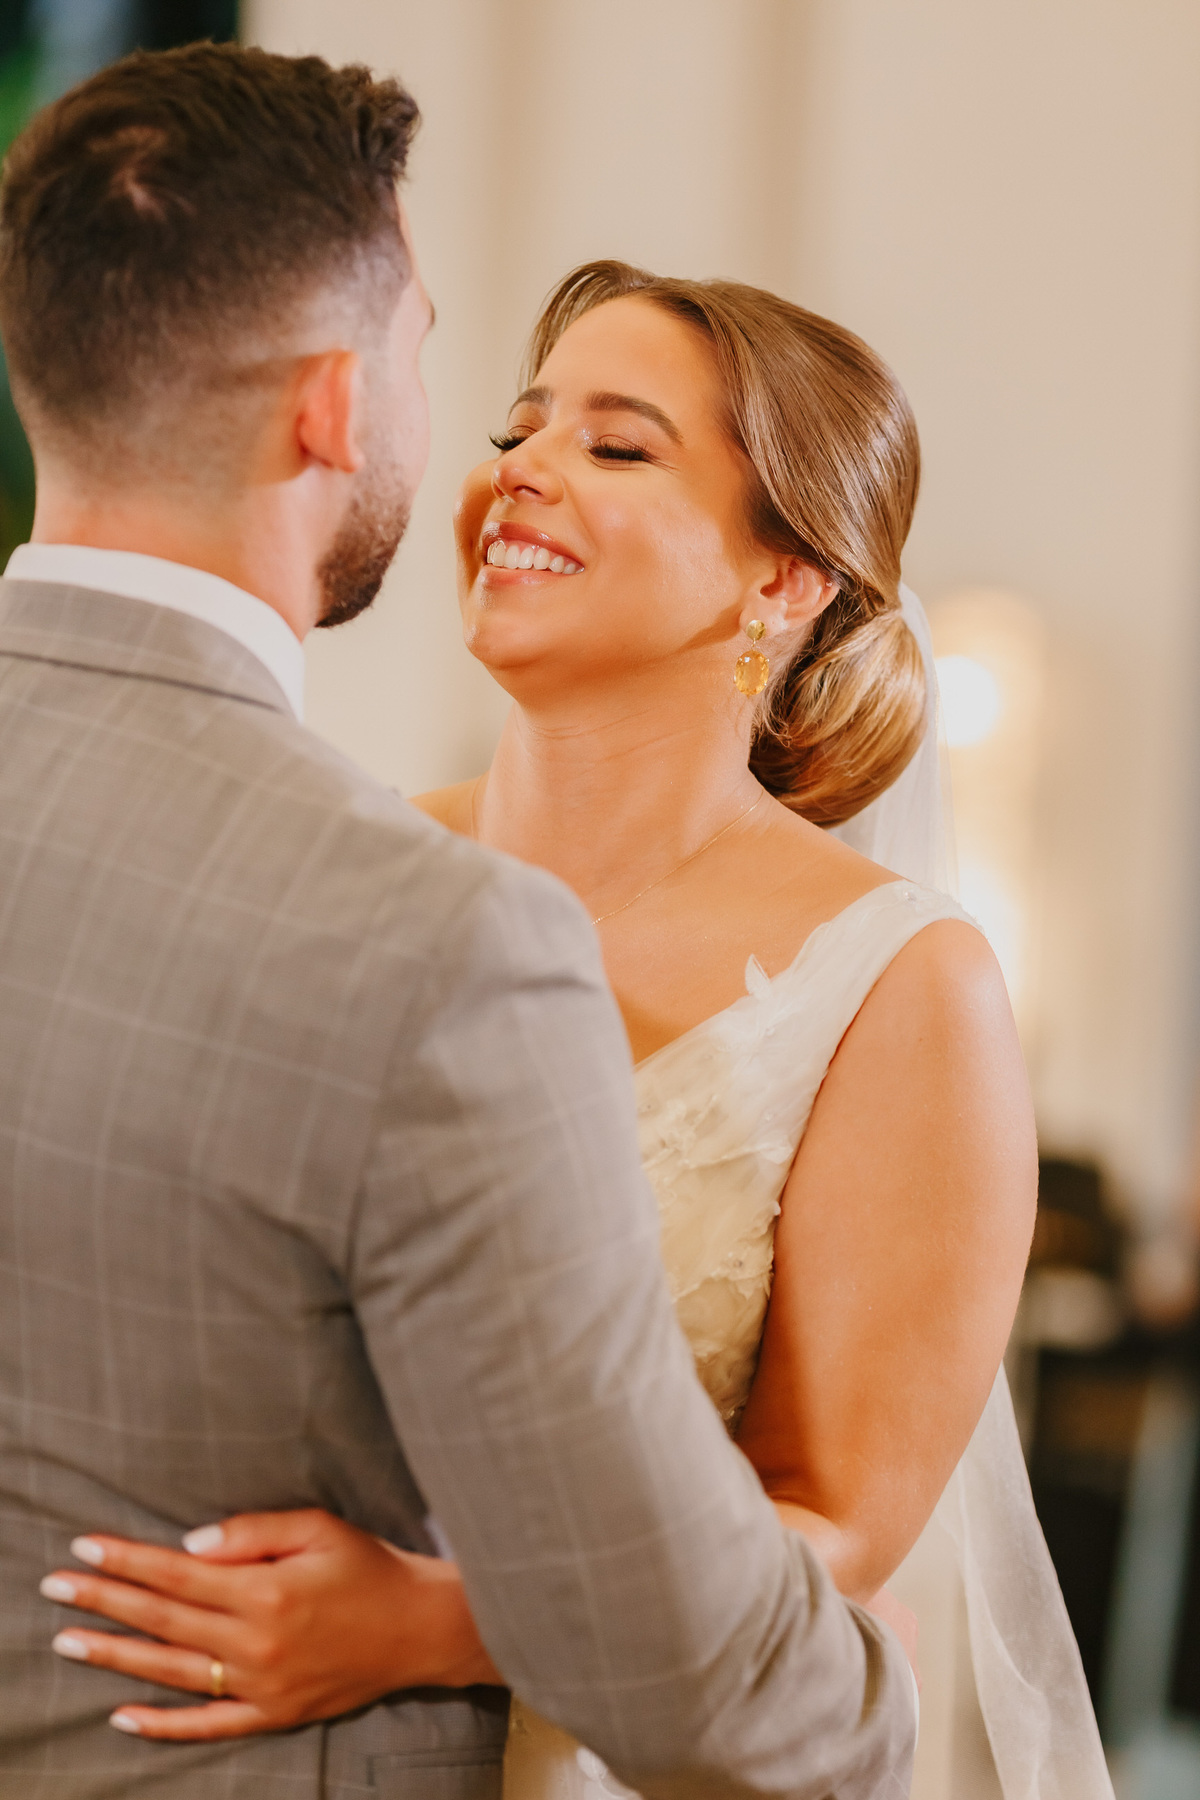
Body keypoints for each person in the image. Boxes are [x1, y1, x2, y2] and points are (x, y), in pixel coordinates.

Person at [36, 260, 1117, 1799]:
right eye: (519, 426)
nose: (519, 472)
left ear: (784, 580)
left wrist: (429, 1624)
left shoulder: (898, 985)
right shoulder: (356, 870)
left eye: (616, 448)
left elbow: (834, 1530)